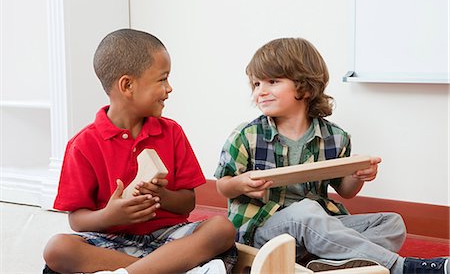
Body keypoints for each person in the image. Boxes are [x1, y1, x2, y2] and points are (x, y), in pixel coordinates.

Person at [214, 37, 449, 274]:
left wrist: (357, 174)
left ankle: (328, 265)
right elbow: (223, 185)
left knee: (391, 222)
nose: (261, 92)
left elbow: (346, 191)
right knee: (305, 212)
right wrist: (240, 184)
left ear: (304, 87)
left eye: (272, 82)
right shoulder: (248, 134)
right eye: (256, 84)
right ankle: (403, 268)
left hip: (319, 226)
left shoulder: (335, 136)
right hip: (264, 230)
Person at [43, 28, 237, 274]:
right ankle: (168, 270)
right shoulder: (83, 144)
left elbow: (188, 203)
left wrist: (163, 196)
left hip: (170, 239)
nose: (169, 88)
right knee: (57, 249)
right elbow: (77, 220)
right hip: (112, 243)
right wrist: (110, 215)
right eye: (162, 79)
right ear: (128, 85)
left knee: (222, 229)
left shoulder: (172, 132)